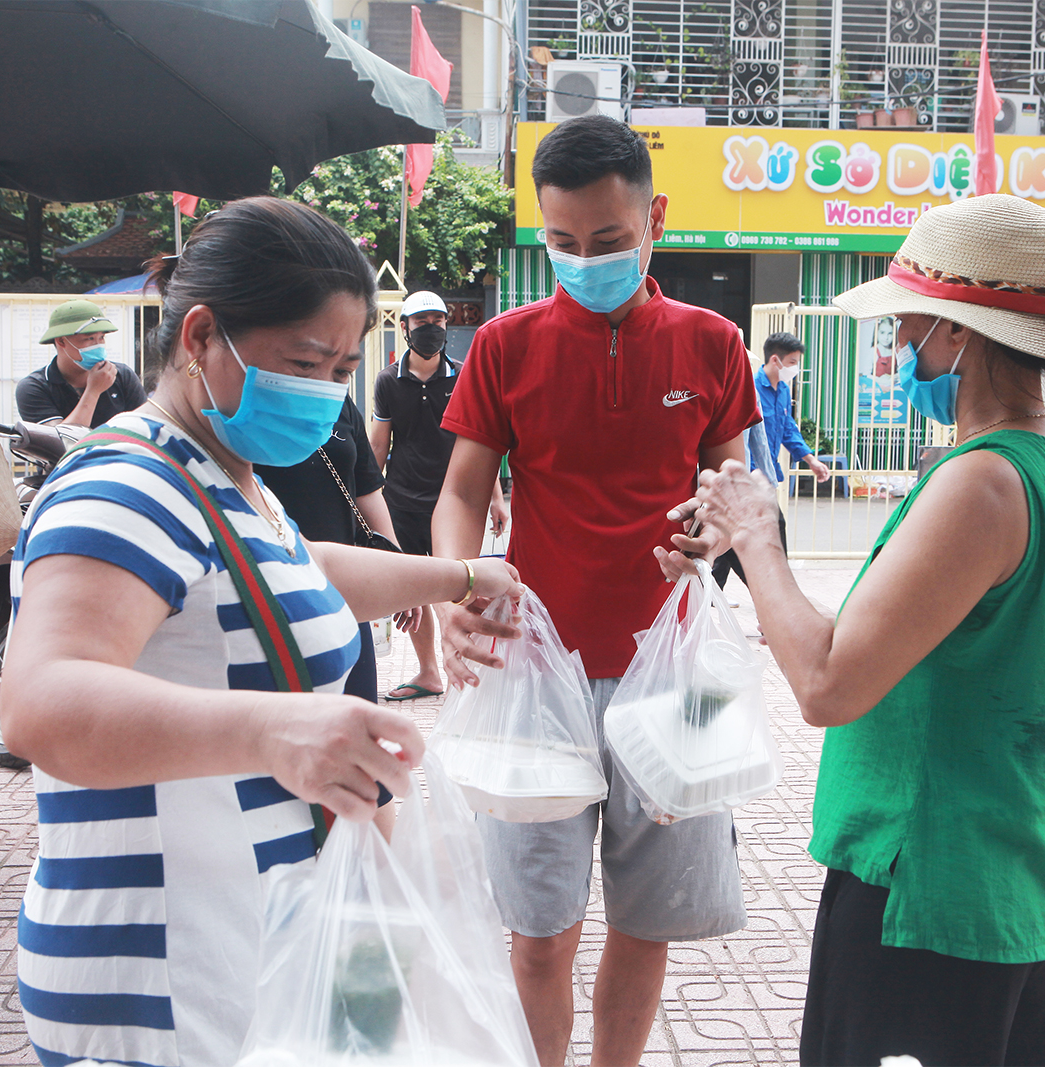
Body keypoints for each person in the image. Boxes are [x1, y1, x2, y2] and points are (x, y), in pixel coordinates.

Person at [0, 197, 519, 1067]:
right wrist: (275, 729)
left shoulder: (221, 474)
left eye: (344, 367)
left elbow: (292, 570)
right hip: (161, 988)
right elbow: (40, 703)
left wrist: (461, 577)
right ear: (203, 337)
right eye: (305, 361)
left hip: (248, 963)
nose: (325, 391)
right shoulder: (122, 485)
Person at [658, 194, 1045, 1067]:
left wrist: (758, 535)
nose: (896, 345)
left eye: (908, 324)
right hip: (1028, 884)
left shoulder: (982, 480)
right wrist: (734, 547)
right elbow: (909, 642)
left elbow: (829, 682)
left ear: (958, 335)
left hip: (931, 898)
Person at [432, 115, 758, 1067]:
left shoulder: (710, 344)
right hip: (537, 675)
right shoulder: (505, 345)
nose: (586, 260)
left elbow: (730, 486)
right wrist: (457, 584)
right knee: (538, 931)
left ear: (654, 218)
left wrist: (712, 530)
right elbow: (461, 491)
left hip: (675, 673)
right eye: (563, 243)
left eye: (610, 242)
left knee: (647, 921)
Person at [368, 290, 506, 701]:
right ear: (406, 327)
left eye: (438, 321)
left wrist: (496, 497)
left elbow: (480, 441)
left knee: (461, 586)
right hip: (402, 501)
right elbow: (378, 444)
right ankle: (428, 672)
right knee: (412, 592)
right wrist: (365, 499)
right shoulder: (388, 381)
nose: (431, 329)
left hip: (456, 502)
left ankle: (467, 669)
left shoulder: (465, 374)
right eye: (421, 322)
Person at [257, 391, 414, 706]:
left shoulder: (337, 400)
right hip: (272, 589)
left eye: (345, 368)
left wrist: (400, 565)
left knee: (356, 710)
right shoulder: (248, 401)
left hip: (344, 591)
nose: (334, 375)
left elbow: (367, 488)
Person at [712, 331, 831, 589]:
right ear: (775, 360)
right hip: (747, 476)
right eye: (792, 363)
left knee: (730, 539)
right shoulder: (750, 388)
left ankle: (711, 592)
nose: (796, 368)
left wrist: (810, 459)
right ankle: (772, 591)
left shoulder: (783, 391)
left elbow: (786, 429)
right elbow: (747, 440)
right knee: (768, 530)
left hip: (761, 477)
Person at [14, 299, 146, 428]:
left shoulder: (122, 376)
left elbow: (143, 428)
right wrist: (93, 391)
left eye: (101, 337)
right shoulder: (34, 387)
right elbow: (61, 442)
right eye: (89, 338)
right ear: (61, 341)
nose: (98, 345)